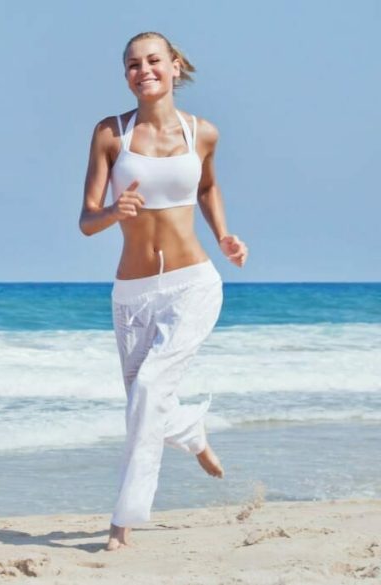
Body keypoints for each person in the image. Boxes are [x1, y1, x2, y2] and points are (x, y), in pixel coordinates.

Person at [78, 31, 249, 551]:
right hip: (131, 295)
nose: (143, 70)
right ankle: (192, 433)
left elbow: (207, 187)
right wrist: (113, 212)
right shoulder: (111, 134)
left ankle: (121, 526)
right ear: (125, 74)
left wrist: (223, 235)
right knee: (143, 402)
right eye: (133, 64)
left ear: (175, 66)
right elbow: (86, 220)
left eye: (154, 61)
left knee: (149, 392)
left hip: (192, 284)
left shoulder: (203, 133)